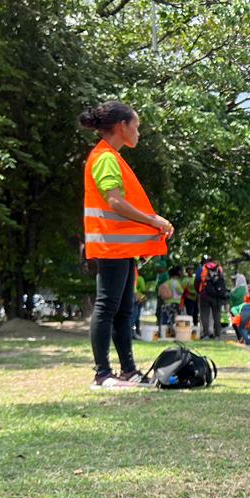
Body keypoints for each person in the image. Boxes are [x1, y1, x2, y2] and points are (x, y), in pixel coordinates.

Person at [78, 101, 174, 389]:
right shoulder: (105, 157)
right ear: (122, 126)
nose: (138, 133)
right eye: (137, 126)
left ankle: (128, 371)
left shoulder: (110, 156)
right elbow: (115, 201)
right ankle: (102, 374)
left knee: (122, 309)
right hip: (110, 245)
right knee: (107, 307)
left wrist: (151, 223)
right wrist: (153, 219)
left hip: (119, 247)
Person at [197, 257, 227, 339]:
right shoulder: (219, 268)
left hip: (205, 294)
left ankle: (206, 334)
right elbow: (222, 281)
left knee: (204, 315)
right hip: (217, 296)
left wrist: (198, 291)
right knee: (217, 315)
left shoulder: (202, 268)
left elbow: (197, 280)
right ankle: (217, 335)